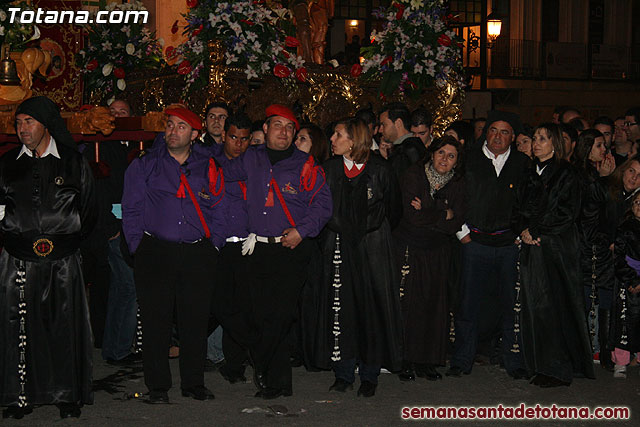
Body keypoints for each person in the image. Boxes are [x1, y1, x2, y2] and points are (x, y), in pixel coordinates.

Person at [0, 96, 97, 419]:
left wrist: (63, 242)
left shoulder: (72, 161)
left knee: (63, 326)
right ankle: (18, 396)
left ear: (45, 124)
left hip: (63, 262)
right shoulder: (7, 163)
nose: (22, 129)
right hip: (18, 261)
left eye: (28, 122)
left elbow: (89, 212)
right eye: (18, 123)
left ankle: (66, 395)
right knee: (18, 328)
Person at [226, 104, 332, 399]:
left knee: (281, 316)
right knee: (261, 316)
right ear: (266, 129)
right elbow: (218, 170)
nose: (283, 132)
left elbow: (323, 205)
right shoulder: (251, 158)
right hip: (257, 248)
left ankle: (263, 366)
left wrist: (302, 230)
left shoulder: (306, 164)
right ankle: (280, 381)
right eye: (277, 125)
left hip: (291, 249)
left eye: (289, 127)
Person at [122, 107, 226, 404]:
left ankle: (193, 383)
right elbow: (131, 209)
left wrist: (214, 245)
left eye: (181, 127)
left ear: (194, 135)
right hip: (155, 251)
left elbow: (219, 208)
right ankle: (157, 386)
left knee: (194, 321)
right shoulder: (145, 165)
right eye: (169, 125)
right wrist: (137, 247)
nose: (173, 131)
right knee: (156, 321)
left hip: (197, 252)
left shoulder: (209, 166)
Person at [308, 117, 402, 397]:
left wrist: (373, 234)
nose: (332, 140)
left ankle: (370, 374)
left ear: (354, 140)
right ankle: (344, 372)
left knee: (371, 311)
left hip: (372, 249)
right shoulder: (329, 169)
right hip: (338, 248)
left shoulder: (380, 170)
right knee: (340, 309)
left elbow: (394, 211)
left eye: (337, 135)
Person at [446, 111, 529, 380]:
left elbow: (530, 202)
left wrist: (520, 234)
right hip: (474, 242)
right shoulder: (468, 158)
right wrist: (463, 235)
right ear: (486, 132)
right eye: (494, 130)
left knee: (510, 305)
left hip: (508, 244)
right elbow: (452, 196)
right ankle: (461, 360)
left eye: (505, 132)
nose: (498, 136)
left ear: (513, 137)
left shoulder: (522, 163)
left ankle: (512, 359)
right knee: (467, 305)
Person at [513, 122, 595, 387]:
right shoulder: (529, 172)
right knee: (533, 305)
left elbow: (566, 213)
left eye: (543, 139)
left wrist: (536, 230)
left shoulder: (567, 174)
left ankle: (557, 368)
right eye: (535, 138)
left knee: (554, 306)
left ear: (555, 143)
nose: (536, 143)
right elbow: (518, 207)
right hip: (533, 245)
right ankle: (536, 363)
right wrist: (524, 230)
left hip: (556, 248)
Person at [393, 136, 466, 382]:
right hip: (409, 249)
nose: (445, 159)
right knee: (409, 304)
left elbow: (455, 223)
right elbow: (411, 218)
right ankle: (404, 359)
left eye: (451, 155)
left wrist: (427, 207)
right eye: (441, 153)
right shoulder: (413, 176)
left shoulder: (457, 183)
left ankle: (427, 361)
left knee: (434, 307)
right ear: (431, 154)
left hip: (438, 252)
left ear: (457, 162)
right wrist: (442, 211)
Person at [91, 98, 142, 366]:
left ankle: (116, 347)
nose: (118, 117)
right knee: (127, 287)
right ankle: (119, 349)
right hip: (113, 227)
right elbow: (94, 193)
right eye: (112, 113)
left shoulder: (138, 146)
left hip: (135, 226)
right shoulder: (97, 147)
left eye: (123, 112)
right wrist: (109, 228)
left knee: (124, 288)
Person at [572, 129, 616, 372]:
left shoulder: (599, 175)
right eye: (599, 146)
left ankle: (600, 346)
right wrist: (603, 180)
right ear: (587, 149)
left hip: (599, 246)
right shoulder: (582, 177)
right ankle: (586, 347)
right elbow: (592, 212)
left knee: (600, 296)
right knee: (586, 295)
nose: (604, 151)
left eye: (605, 146)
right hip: (586, 245)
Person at [611, 190, 640, 378]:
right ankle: (620, 361)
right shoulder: (625, 227)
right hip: (627, 280)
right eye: (636, 202)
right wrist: (631, 278)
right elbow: (618, 257)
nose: (639, 206)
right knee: (624, 319)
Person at [379, 102, 426, 180]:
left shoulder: (406, 151)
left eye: (384, 125)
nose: (380, 130)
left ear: (398, 123)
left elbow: (396, 185)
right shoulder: (414, 145)